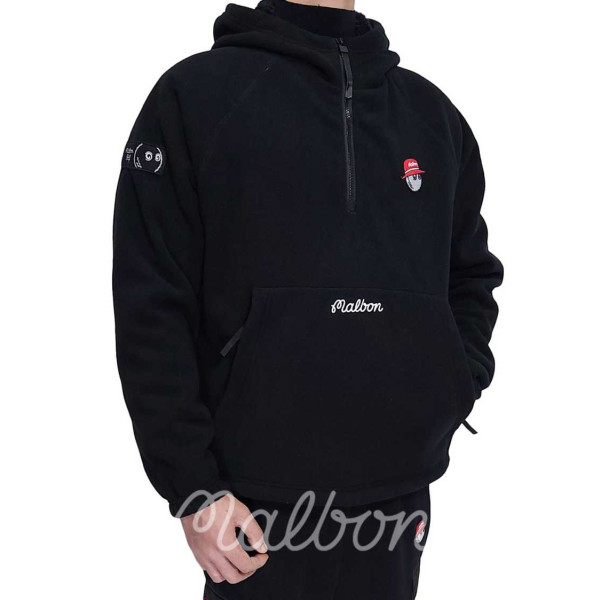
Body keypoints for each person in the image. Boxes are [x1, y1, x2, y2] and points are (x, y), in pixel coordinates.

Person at [112, 1, 504, 598]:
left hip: (398, 494)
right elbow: (151, 302)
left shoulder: (432, 116)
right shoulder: (195, 97)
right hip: (249, 503)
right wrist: (193, 486)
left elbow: (471, 276)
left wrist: (452, 380)